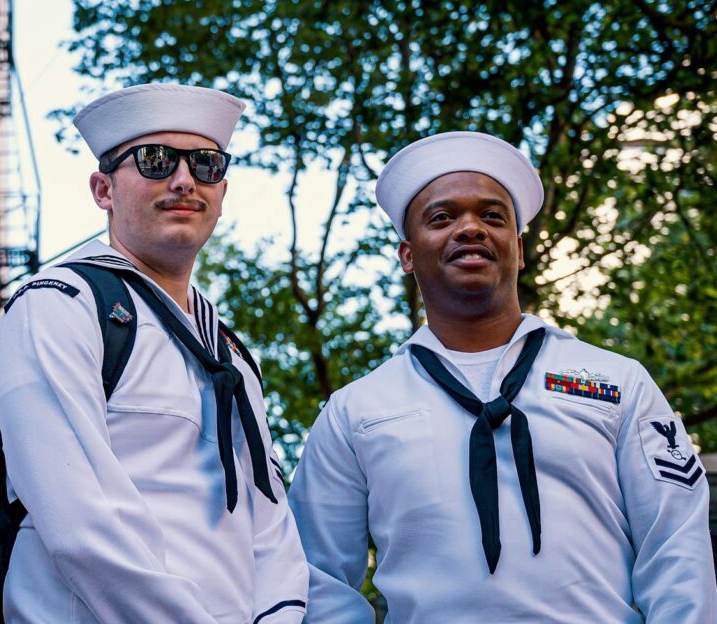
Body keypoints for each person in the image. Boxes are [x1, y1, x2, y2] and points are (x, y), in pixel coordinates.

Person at [289, 131, 716, 622]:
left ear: (518, 246)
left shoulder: (619, 381)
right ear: (407, 255)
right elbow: (317, 579)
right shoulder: (354, 412)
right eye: (442, 218)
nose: (470, 229)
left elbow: (676, 543)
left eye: (491, 216)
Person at [0, 83, 308, 623]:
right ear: (102, 190)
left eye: (206, 164)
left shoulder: (232, 357)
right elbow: (82, 525)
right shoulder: (60, 307)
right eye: (155, 161)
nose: (183, 180)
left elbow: (271, 529)